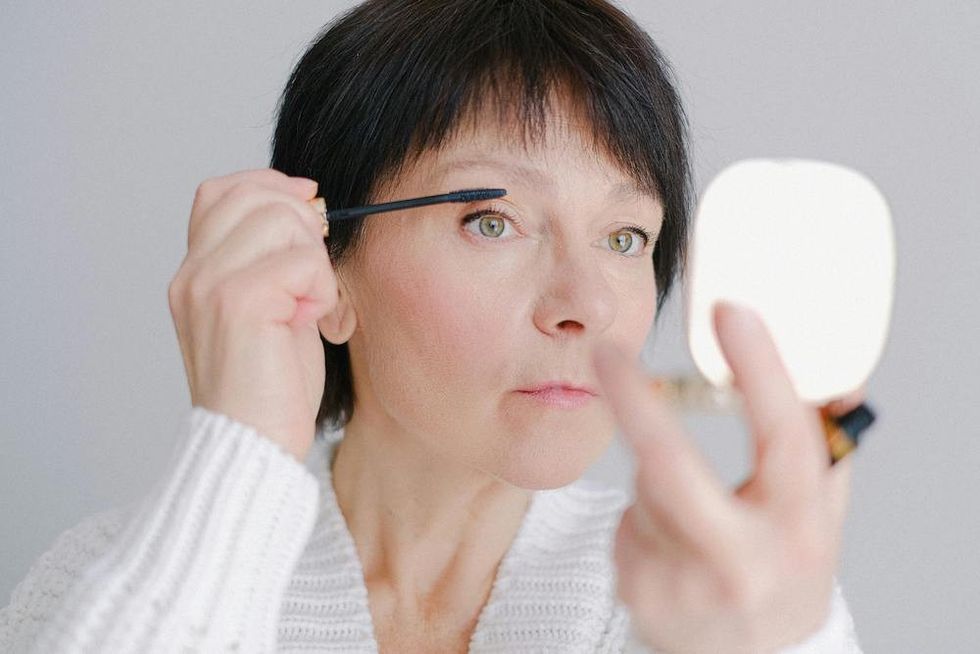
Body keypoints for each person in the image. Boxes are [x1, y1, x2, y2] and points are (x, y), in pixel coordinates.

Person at [0, 1, 865, 652]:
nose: (587, 305)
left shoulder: (707, 602)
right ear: (324, 266)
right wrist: (241, 451)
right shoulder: (115, 580)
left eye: (625, 237)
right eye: (492, 221)